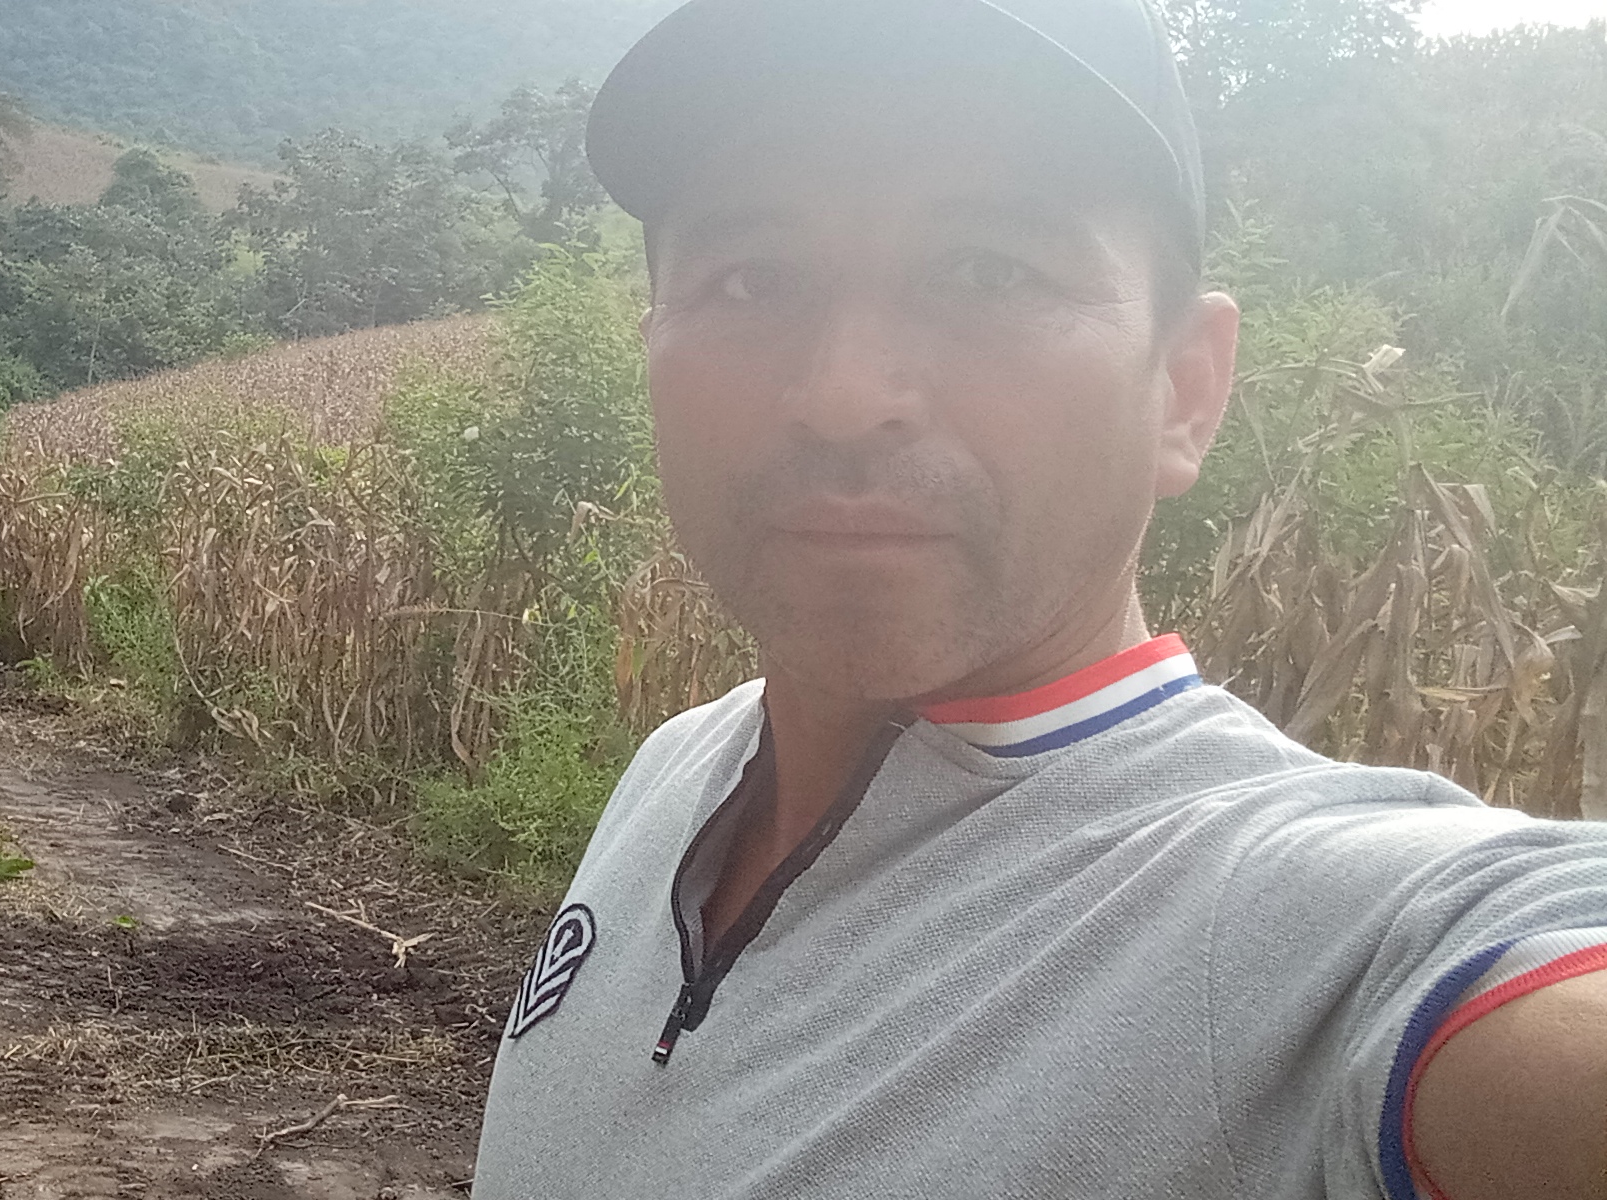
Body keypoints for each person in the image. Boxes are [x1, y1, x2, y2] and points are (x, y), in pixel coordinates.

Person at [471, 2, 1607, 1198]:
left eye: (988, 270)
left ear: (1185, 389)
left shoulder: (1298, 937)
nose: (844, 396)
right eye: (751, 279)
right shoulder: (677, 766)